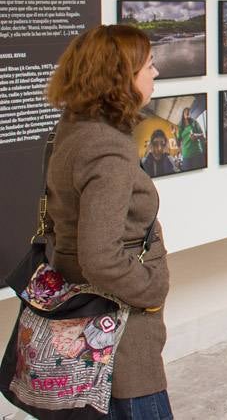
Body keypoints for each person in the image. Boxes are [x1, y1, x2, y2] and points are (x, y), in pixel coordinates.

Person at [44, 24, 173, 420]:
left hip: (83, 326)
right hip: (116, 334)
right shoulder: (107, 148)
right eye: (148, 66)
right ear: (121, 77)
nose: (155, 74)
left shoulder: (73, 129)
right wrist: (151, 290)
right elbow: (100, 256)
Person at [177, 106, 205, 171]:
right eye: (185, 112)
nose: (187, 113)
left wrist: (196, 135)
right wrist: (174, 133)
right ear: (183, 115)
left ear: (190, 114)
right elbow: (178, 143)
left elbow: (202, 135)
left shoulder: (194, 122)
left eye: (188, 112)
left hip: (196, 153)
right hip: (186, 156)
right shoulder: (180, 127)